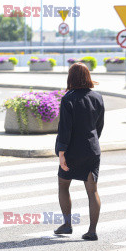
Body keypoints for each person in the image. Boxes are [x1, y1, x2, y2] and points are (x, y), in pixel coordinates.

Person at [54, 62, 105, 241]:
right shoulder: (97, 97)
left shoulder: (69, 98)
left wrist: (61, 153)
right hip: (92, 149)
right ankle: (92, 231)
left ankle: (67, 224)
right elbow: (99, 126)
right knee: (92, 191)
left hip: (72, 151)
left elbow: (65, 129)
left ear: (71, 77)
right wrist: (92, 142)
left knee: (63, 185)